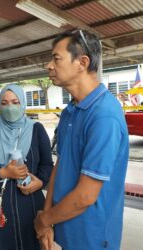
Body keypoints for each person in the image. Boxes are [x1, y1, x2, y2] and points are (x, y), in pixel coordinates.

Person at [34, 30, 129, 250]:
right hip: (64, 225)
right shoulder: (71, 110)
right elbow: (60, 164)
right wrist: (45, 216)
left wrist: (44, 221)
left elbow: (86, 196)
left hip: (92, 235)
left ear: (82, 62)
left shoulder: (104, 115)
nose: (49, 65)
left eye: (56, 59)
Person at [0, 84, 53, 250]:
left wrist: (40, 182)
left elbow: (47, 164)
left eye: (15, 102)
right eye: (4, 103)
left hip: (29, 202)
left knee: (30, 244)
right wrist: (2, 171)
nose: (10, 107)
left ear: (22, 103)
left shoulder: (35, 129)